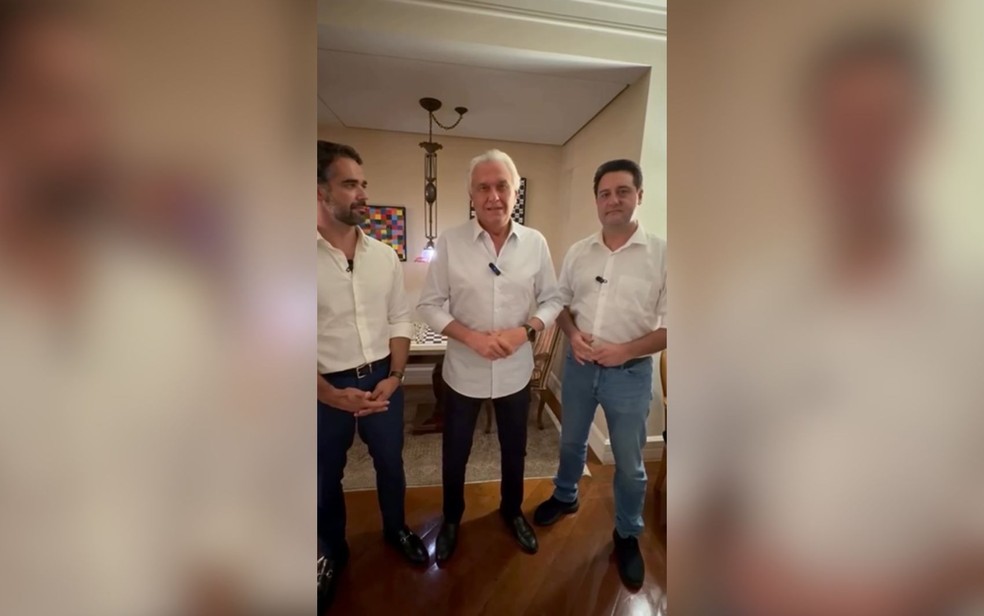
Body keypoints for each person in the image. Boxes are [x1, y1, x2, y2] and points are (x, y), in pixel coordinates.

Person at [417, 149, 563, 564]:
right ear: (471, 194)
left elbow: (553, 300)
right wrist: (470, 338)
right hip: (463, 372)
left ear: (515, 192)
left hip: (515, 372)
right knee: (455, 452)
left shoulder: (535, 243)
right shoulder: (450, 242)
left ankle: (511, 511)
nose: (493, 196)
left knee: (515, 450)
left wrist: (526, 330)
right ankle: (451, 519)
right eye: (483, 187)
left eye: (502, 186)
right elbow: (429, 305)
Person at [532, 159, 667, 590]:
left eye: (623, 191)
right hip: (578, 367)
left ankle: (627, 534)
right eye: (605, 193)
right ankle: (565, 495)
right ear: (596, 201)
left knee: (629, 462)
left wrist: (624, 350)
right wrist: (572, 335)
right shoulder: (579, 251)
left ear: (639, 196)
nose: (613, 200)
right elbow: (560, 305)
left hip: (629, 375)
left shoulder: (663, 255)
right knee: (571, 440)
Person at [317, 140, 427, 609]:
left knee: (390, 463)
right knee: (323, 475)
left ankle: (395, 529)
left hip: (383, 377)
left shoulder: (384, 256)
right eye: (349, 184)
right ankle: (330, 552)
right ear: (319, 190)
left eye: (363, 183)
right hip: (321, 389)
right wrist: (329, 394)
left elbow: (400, 317)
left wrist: (397, 375)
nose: (362, 194)